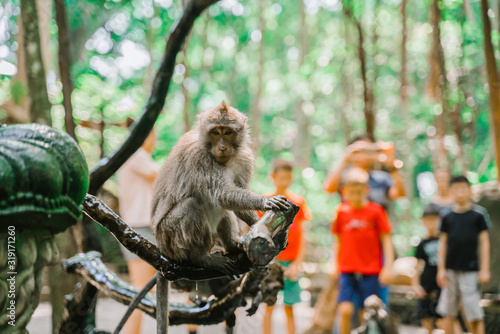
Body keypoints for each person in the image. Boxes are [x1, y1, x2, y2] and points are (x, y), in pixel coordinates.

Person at [330, 167, 394, 334]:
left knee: (366, 313)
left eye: (359, 192)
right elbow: (337, 240)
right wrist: (332, 263)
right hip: (347, 269)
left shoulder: (376, 211)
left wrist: (387, 267)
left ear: (366, 190)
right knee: (345, 310)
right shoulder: (342, 211)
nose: (355, 197)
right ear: (345, 192)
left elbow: (386, 240)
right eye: (351, 193)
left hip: (371, 270)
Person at [117, 125, 160, 334]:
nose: (155, 139)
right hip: (139, 228)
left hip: (141, 227)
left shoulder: (136, 156)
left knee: (143, 289)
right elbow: (162, 177)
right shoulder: (136, 155)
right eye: (152, 133)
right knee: (140, 289)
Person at [262, 158, 313, 334]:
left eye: (288, 177)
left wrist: (297, 263)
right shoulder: (264, 202)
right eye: (281, 177)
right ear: (273, 177)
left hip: (291, 264)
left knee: (289, 307)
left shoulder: (298, 202)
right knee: (268, 306)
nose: (285, 181)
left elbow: (303, 236)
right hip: (271, 264)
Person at [436, 176, 491, 334]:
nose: (460, 192)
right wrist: (441, 269)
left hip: (471, 269)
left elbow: (484, 243)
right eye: (456, 189)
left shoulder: (478, 215)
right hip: (450, 270)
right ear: (451, 192)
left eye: (463, 188)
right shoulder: (447, 216)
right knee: (448, 311)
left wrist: (485, 269)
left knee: (473, 310)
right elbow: (443, 243)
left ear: (470, 190)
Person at [323, 134, 406, 210]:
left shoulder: (382, 178)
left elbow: (399, 194)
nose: (365, 155)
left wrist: (391, 165)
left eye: (369, 150)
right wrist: (346, 158)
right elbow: (328, 189)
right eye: (362, 150)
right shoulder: (344, 178)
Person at [412, 203, 443, 333]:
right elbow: (417, 266)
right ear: (423, 221)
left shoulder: (444, 240)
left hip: (442, 284)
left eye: (434, 220)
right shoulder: (421, 244)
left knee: (444, 317)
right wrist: (415, 285)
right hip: (426, 284)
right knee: (426, 316)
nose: (431, 223)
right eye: (428, 220)